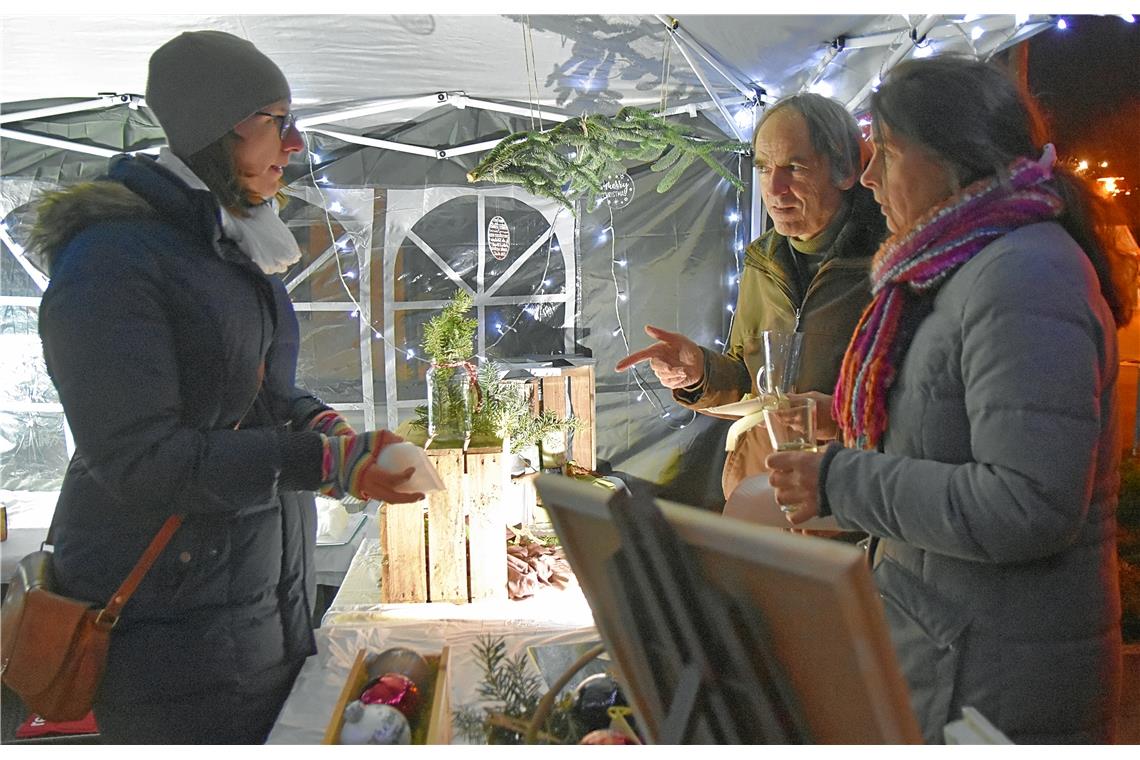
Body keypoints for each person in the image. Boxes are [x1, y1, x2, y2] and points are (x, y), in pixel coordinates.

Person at [30, 31, 423, 744]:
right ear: (220, 125)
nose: (296, 145)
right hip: (170, 633)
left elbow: (262, 396)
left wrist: (327, 428)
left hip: (259, 603)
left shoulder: (225, 246)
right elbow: (140, 460)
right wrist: (324, 465)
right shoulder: (112, 261)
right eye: (280, 120)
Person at [766, 56, 1136, 743]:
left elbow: (1029, 504)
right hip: (957, 651)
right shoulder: (969, 265)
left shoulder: (1025, 276)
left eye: (889, 151)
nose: (869, 175)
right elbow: (962, 430)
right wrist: (848, 421)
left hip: (999, 680)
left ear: (957, 159)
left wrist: (839, 480)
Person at [615, 93, 885, 501]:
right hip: (758, 491)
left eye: (794, 167)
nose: (774, 188)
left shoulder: (888, 264)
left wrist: (839, 417)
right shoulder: (764, 259)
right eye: (763, 168)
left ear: (845, 170)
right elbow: (749, 378)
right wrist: (701, 372)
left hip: (846, 499)